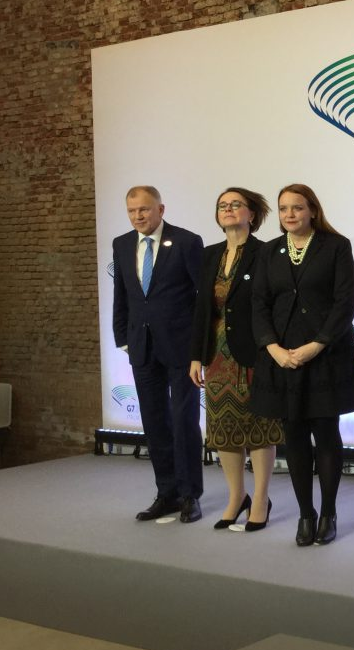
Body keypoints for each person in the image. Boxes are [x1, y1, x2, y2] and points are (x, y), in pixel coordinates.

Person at [250, 184, 354, 546]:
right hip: (282, 358)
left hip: (325, 355)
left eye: (297, 208)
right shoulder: (269, 251)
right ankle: (306, 514)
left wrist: (317, 345)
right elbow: (259, 304)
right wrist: (273, 348)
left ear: (312, 210)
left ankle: (328, 513)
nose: (289, 214)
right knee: (294, 437)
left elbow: (345, 302)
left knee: (326, 435)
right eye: (284, 208)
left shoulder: (336, 246)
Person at [188, 188, 284, 531]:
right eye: (222, 206)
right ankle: (236, 496)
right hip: (217, 355)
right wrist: (196, 356)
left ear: (252, 214)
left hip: (255, 352)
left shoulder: (267, 252)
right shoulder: (209, 254)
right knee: (223, 428)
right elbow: (202, 309)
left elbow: (273, 303)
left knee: (259, 427)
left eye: (235, 205)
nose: (228, 210)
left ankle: (260, 498)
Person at [112, 185, 205, 523]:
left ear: (160, 209)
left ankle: (190, 495)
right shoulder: (121, 244)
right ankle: (167, 493)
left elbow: (202, 298)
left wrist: (199, 349)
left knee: (183, 422)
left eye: (144, 210)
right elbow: (122, 294)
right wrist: (123, 338)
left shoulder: (187, 241)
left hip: (181, 349)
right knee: (154, 423)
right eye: (132, 211)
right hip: (142, 347)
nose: (138, 216)